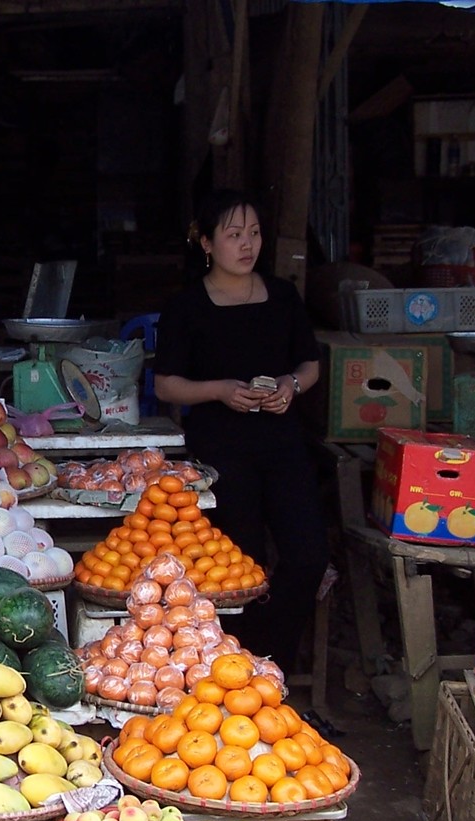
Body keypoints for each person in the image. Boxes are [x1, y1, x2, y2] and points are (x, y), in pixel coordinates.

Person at [151, 189, 329, 674]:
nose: (246, 244)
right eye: (233, 235)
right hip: (221, 448)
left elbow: (310, 364)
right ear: (206, 243)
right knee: (238, 562)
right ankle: (239, 667)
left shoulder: (283, 297)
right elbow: (166, 385)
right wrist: (220, 390)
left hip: (282, 441)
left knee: (309, 552)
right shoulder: (187, 307)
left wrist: (291, 385)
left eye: (253, 233)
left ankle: (276, 659)